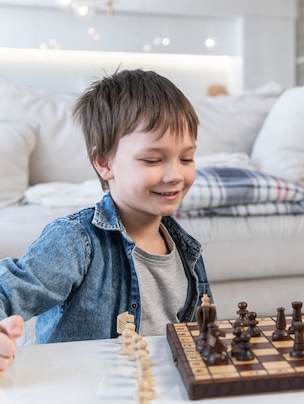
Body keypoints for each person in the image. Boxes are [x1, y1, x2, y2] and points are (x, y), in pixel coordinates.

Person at [0, 69, 213, 376]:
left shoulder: (187, 251)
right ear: (104, 163)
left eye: (186, 158)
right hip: (84, 388)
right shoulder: (74, 241)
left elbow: (197, 334)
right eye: (153, 160)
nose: (175, 175)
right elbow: (8, 289)